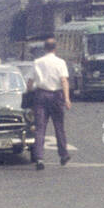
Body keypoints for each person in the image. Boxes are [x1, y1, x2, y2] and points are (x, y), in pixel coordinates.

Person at [27, 36, 71, 170]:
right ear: (55, 48)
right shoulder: (60, 62)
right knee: (59, 126)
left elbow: (30, 81)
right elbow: (64, 81)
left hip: (40, 95)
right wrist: (67, 98)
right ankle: (63, 154)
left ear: (44, 48)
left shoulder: (37, 62)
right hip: (56, 96)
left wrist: (29, 93)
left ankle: (39, 158)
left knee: (40, 128)